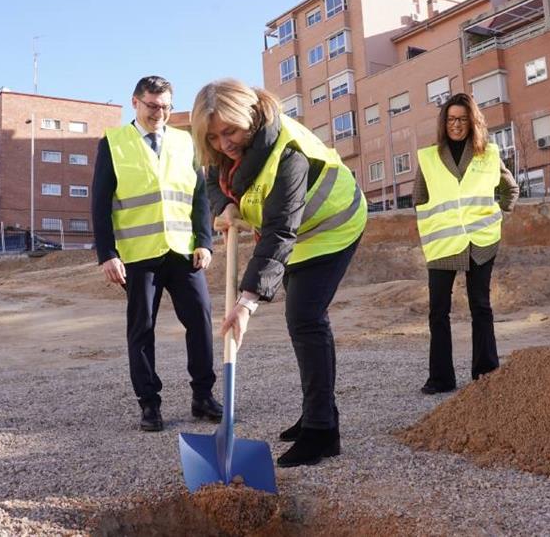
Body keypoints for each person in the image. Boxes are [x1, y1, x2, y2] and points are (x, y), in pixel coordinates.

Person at [191, 78, 366, 468]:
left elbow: (279, 231)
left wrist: (246, 302)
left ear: (251, 116)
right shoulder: (223, 149)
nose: (225, 143)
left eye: (231, 131)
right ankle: (316, 415)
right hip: (297, 234)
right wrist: (225, 207)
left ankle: (322, 433)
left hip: (333, 226)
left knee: (305, 317)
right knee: (301, 321)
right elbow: (212, 179)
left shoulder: (288, 153)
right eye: (215, 137)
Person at [91, 75, 223, 432]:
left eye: (165, 106)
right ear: (135, 102)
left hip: (183, 252)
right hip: (138, 255)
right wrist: (107, 253)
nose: (159, 113)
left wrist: (205, 242)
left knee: (200, 319)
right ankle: (149, 405)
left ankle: (203, 396)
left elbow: (198, 198)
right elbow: (100, 204)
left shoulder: (185, 142)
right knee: (142, 329)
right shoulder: (114, 143)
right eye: (152, 106)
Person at [413, 92, 518, 395]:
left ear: (472, 122)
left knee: (481, 306)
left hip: (480, 242)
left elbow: (510, 190)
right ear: (443, 122)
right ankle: (441, 379)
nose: (455, 125)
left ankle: (486, 372)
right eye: (450, 119)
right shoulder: (429, 157)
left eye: (461, 119)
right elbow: (419, 198)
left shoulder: (488, 154)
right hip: (442, 245)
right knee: (438, 311)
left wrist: (497, 217)